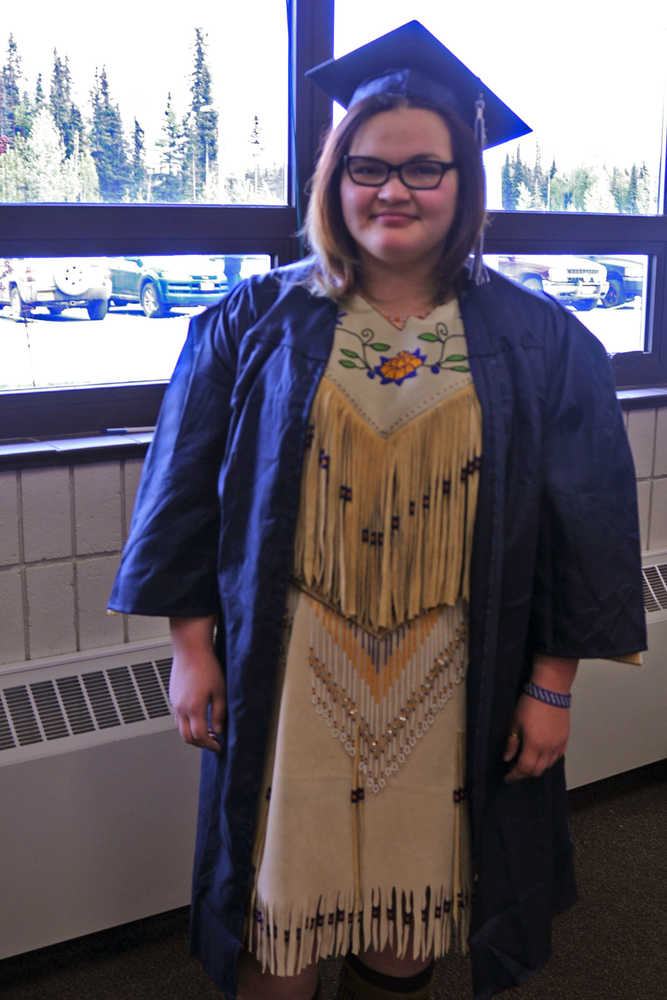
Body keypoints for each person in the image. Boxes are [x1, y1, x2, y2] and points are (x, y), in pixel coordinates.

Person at [109, 21, 646, 1000]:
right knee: (282, 908)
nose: (391, 189)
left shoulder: (544, 342)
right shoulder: (249, 324)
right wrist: (192, 650)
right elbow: (183, 491)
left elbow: (585, 523)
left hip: (450, 664)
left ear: (464, 183)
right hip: (294, 662)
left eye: (423, 168)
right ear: (333, 177)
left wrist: (552, 686)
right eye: (367, 166)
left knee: (410, 900)